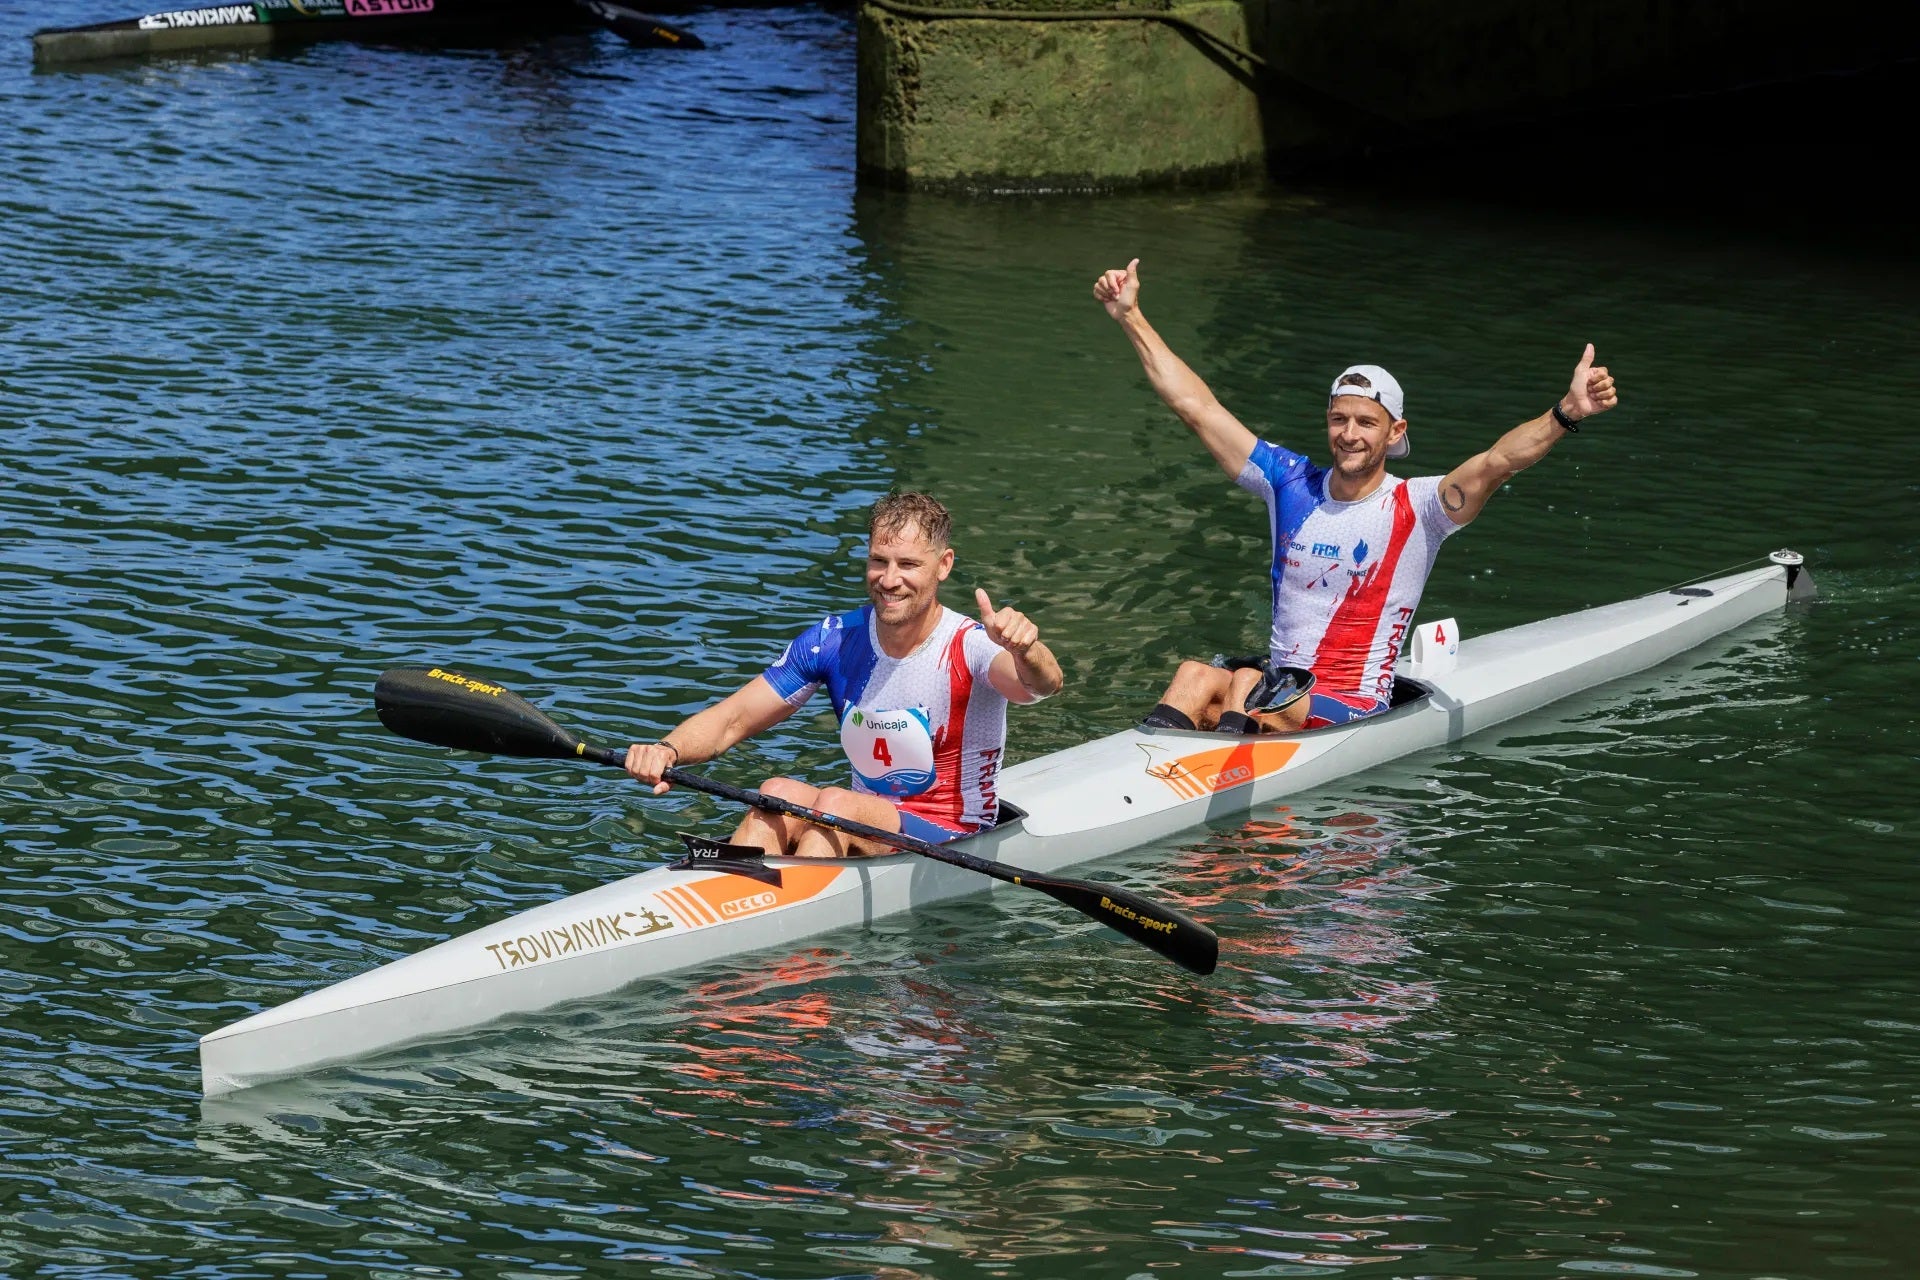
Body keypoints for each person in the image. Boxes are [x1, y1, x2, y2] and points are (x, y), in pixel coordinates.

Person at [1093, 256, 1619, 734]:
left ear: (1394, 433)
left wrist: (1565, 414)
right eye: (1339, 418)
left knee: (1244, 684)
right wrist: (1130, 316)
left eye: (1366, 422)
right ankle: (1151, 768)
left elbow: (1499, 462)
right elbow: (1198, 407)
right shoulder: (1288, 482)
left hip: (1353, 705)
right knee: (1192, 675)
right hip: (1273, 693)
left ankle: (1233, 813)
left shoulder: (1421, 507)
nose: (1349, 433)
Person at [623, 491, 1063, 857]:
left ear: (943, 565)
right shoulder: (833, 640)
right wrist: (668, 750)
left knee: (835, 804)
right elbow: (733, 719)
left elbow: (1039, 686)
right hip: (858, 820)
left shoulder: (971, 646)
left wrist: (1028, 648)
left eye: (908, 564)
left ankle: (797, 952)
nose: (889, 580)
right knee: (779, 792)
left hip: (955, 832)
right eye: (878, 561)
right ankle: (725, 905)